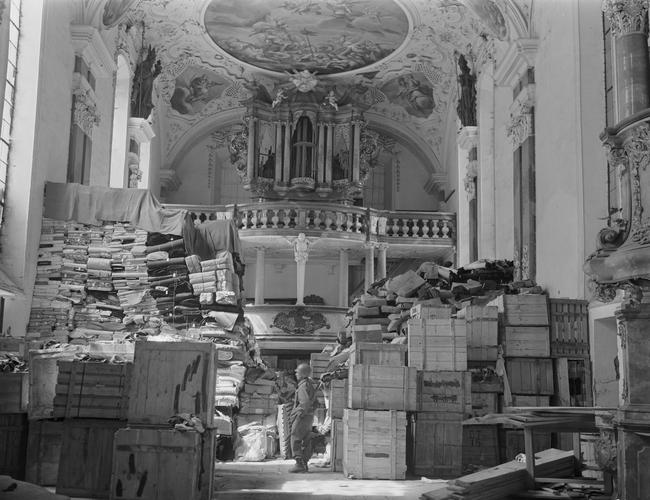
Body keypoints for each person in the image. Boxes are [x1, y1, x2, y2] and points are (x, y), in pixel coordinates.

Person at [289, 363, 317, 473]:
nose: (295, 373)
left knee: (295, 437)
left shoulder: (302, 386)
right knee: (306, 439)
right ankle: (304, 463)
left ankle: (299, 463)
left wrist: (299, 414)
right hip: (309, 417)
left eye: (297, 372)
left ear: (302, 373)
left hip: (302, 417)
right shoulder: (310, 384)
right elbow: (315, 403)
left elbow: (304, 403)